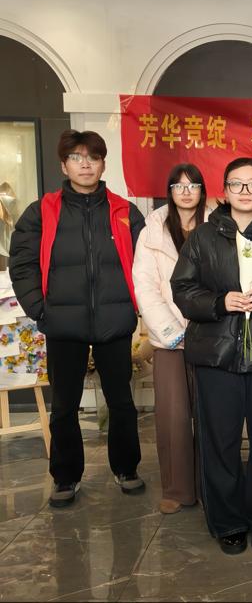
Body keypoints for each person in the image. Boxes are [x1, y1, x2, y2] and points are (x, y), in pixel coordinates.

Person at [171, 157, 252, 555]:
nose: (245, 192)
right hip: (217, 354)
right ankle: (227, 520)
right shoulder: (203, 236)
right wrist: (219, 302)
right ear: (224, 190)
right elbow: (182, 290)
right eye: (236, 184)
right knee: (220, 442)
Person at [9, 129, 146, 508]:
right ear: (63, 165)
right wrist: (39, 308)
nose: (85, 164)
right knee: (65, 405)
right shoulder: (42, 211)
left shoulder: (124, 211)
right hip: (63, 325)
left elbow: (145, 264)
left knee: (121, 402)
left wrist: (136, 306)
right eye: (76, 157)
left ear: (103, 164)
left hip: (115, 321)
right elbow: (22, 263)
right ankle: (65, 476)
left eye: (93, 157)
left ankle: (127, 468)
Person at [132, 163, 210, 515]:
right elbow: (145, 286)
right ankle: (178, 489)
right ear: (170, 191)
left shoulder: (218, 225)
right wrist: (173, 331)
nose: (186, 192)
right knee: (173, 416)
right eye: (178, 186)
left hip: (211, 334)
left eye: (193, 185)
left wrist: (208, 323)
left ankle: (210, 485)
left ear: (202, 189)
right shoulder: (152, 230)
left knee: (212, 414)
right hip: (170, 340)